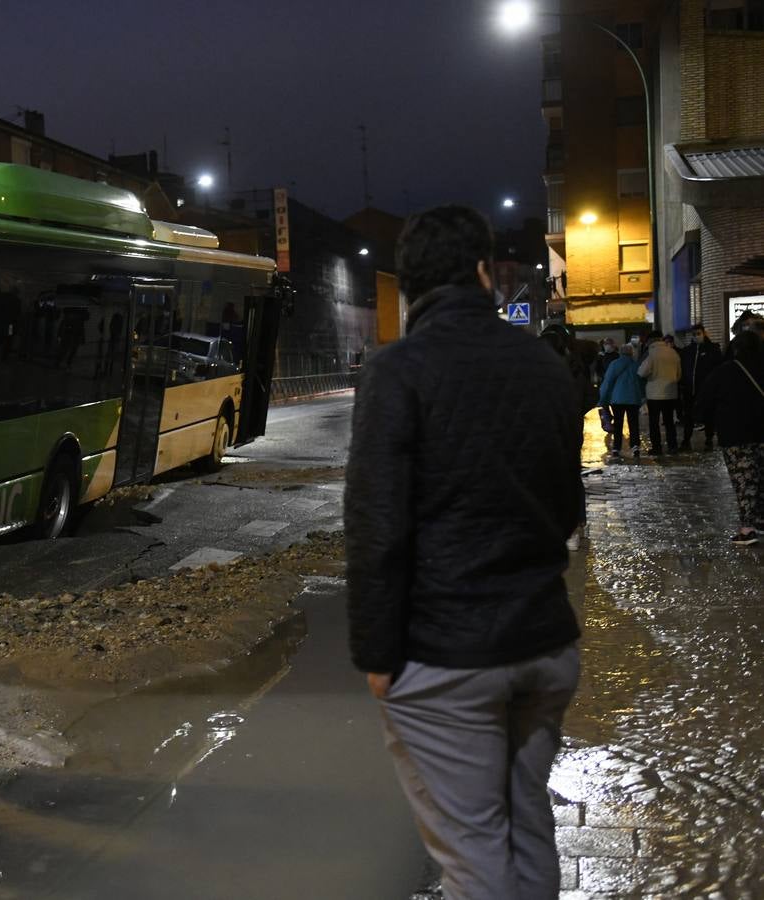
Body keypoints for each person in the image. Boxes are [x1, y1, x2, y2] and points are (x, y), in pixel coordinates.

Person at [345, 205, 583, 900]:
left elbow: (375, 524)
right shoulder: (542, 362)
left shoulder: (397, 370)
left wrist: (376, 655)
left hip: (445, 655)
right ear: (482, 273)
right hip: (543, 643)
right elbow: (567, 508)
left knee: (473, 852)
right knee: (525, 824)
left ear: (406, 290)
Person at [696, 329, 764, 546]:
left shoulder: (725, 371)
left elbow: (703, 403)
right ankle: (760, 520)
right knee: (761, 478)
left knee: (744, 480)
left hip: (736, 436)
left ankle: (747, 529)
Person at [680, 323, 724, 451]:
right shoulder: (688, 351)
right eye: (694, 334)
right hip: (689, 389)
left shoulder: (713, 349)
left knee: (708, 415)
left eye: (698, 333)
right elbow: (684, 368)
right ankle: (686, 440)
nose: (696, 336)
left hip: (706, 390)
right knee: (688, 416)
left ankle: (709, 439)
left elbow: (717, 368)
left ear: (704, 333)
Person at [638, 329, 681, 456]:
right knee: (669, 422)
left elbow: (641, 372)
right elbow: (679, 374)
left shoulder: (651, 354)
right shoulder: (673, 352)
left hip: (654, 395)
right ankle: (672, 447)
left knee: (654, 423)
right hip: (671, 393)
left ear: (651, 340)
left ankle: (657, 448)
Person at [599, 344, 645, 460]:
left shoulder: (614, 364)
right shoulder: (636, 365)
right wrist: (643, 397)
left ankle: (616, 448)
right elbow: (642, 382)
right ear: (631, 353)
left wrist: (603, 398)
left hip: (617, 399)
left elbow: (608, 382)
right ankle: (635, 447)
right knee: (633, 423)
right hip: (633, 398)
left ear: (620, 353)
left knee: (618, 423)